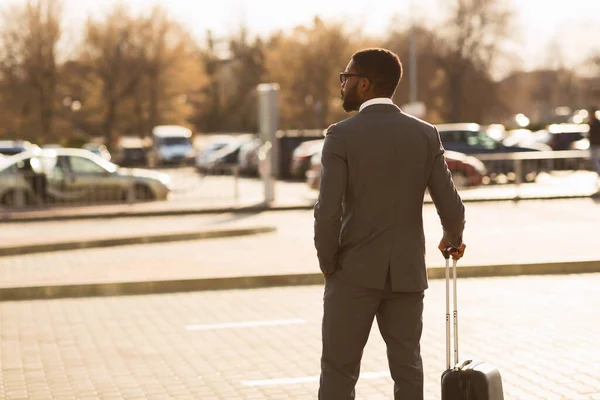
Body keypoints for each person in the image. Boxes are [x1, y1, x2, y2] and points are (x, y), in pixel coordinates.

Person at [314, 48, 466, 400]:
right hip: (407, 273)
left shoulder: (341, 135)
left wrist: (329, 263)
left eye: (346, 77)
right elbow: (452, 208)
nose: (342, 85)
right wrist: (451, 238)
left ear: (364, 84)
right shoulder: (425, 134)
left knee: (339, 371)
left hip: (352, 272)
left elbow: (328, 211)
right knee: (408, 369)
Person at [588, 106, 600, 190]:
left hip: (596, 145)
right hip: (595, 145)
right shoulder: (593, 122)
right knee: (596, 162)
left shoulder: (595, 123)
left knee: (596, 162)